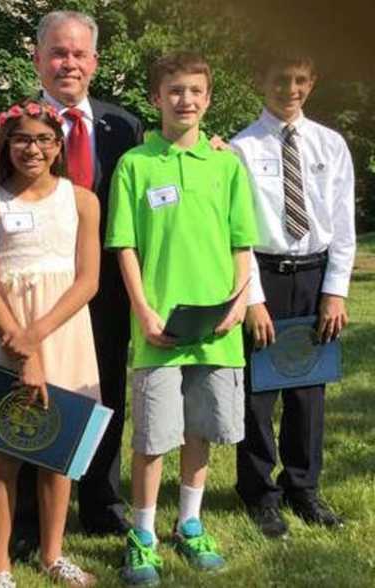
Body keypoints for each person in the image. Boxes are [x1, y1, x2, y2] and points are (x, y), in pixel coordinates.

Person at [0, 10, 144, 547]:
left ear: (95, 62)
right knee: (23, 398)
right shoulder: (15, 128)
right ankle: (28, 523)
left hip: (99, 287)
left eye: (79, 54)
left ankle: (102, 500)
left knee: (98, 395)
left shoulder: (124, 125)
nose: (68, 63)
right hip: (23, 293)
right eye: (58, 53)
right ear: (38, 59)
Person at [105, 52, 258, 585]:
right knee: (152, 436)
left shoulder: (226, 164)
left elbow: (242, 242)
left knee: (201, 429)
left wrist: (239, 302)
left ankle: (189, 523)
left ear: (208, 98)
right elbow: (124, 246)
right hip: (159, 329)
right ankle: (143, 534)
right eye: (174, 91)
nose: (185, 100)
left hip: (218, 328)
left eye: (195, 91)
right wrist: (143, 312)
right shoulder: (136, 164)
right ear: (155, 98)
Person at [0, 99, 101, 588]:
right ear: (6, 143)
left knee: (58, 449)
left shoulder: (82, 200)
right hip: (9, 331)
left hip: (62, 329)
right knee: (6, 452)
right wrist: (20, 345)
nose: (33, 149)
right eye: (22, 138)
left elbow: (87, 281)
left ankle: (52, 554)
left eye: (44, 140)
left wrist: (37, 335)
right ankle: (0, 567)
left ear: (58, 146)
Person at [231, 51, 355, 538]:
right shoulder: (241, 148)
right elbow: (237, 233)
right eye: (280, 79)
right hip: (265, 273)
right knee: (259, 392)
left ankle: (304, 487)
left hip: (315, 274)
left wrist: (336, 290)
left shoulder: (331, 143)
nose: (291, 89)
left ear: (313, 81)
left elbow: (343, 224)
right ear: (261, 81)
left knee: (308, 390)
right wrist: (253, 298)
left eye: (301, 80)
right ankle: (259, 491)